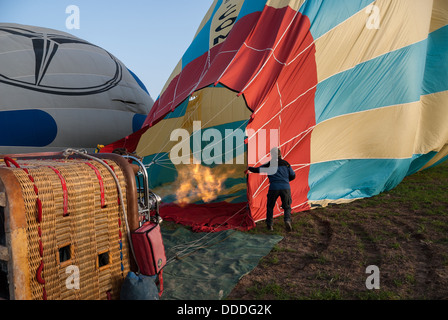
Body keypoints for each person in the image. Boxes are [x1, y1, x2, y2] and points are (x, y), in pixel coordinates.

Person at [247, 148, 295, 231]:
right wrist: (286, 181)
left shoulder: (269, 164)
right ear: (280, 154)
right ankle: (287, 220)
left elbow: (258, 170)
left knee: (270, 206)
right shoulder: (286, 164)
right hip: (285, 187)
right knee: (287, 206)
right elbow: (293, 175)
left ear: (272, 155)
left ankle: (270, 225)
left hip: (274, 187)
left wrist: (248, 168)